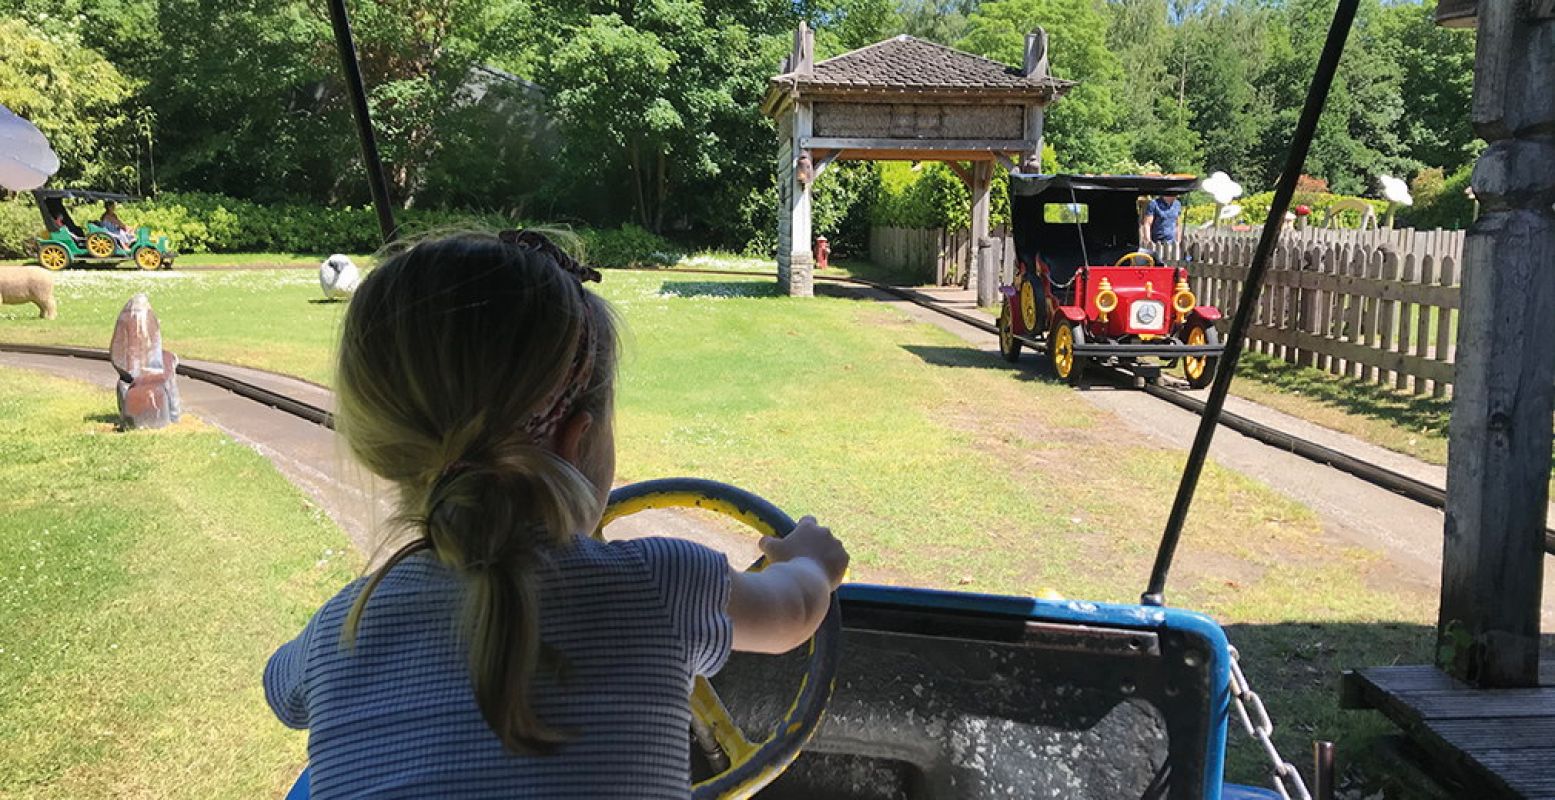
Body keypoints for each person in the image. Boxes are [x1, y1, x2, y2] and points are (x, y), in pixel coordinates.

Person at [264, 230, 848, 799]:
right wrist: (810, 562)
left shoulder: (337, 631)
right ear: (578, 440)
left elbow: (279, 689)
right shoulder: (662, 584)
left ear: (386, 448)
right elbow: (793, 614)